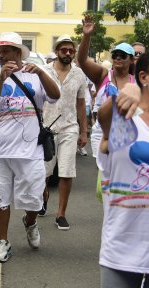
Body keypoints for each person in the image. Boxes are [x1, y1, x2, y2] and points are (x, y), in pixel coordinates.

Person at [0, 32, 60, 263]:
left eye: (5, 50)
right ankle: (3, 241)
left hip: (30, 149)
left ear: (17, 52)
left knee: (35, 196)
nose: (0, 55)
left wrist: (42, 74)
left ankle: (30, 221)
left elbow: (55, 96)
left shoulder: (35, 74)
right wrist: (0, 80)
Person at [96, 54, 149, 288]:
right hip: (122, 253)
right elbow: (103, 118)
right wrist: (125, 93)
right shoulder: (127, 122)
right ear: (143, 77)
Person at [40, 35, 87, 230]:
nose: (67, 53)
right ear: (57, 51)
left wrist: (83, 131)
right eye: (63, 50)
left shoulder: (78, 74)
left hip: (69, 127)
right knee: (43, 173)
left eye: (70, 50)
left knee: (67, 172)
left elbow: (81, 103)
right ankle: (43, 198)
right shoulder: (44, 71)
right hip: (46, 129)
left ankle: (61, 214)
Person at [77, 14, 135, 159]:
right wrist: (86, 36)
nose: (118, 58)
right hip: (101, 133)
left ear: (132, 60)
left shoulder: (137, 83)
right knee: (104, 175)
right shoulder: (103, 75)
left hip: (127, 133)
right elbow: (82, 61)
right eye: (115, 55)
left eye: (122, 55)